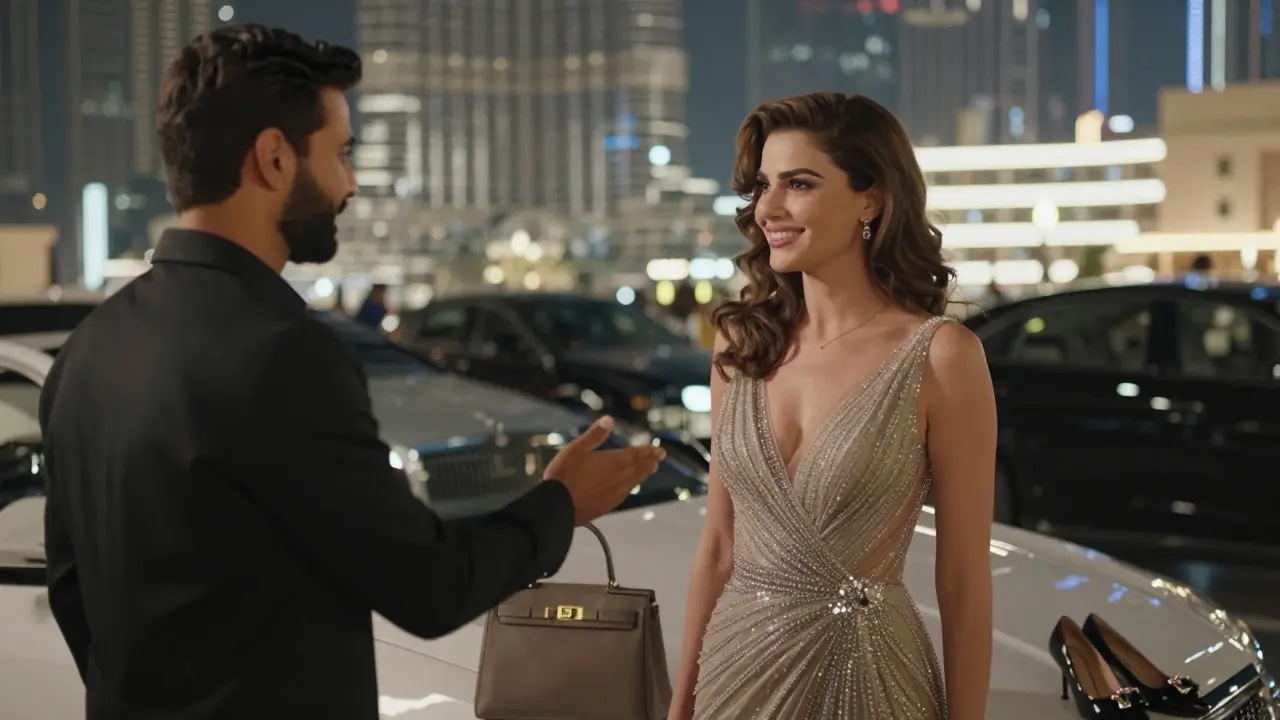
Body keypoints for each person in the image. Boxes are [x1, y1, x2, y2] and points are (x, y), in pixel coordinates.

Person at [38, 25, 665, 720]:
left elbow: (73, 593)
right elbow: (427, 586)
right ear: (274, 158)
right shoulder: (282, 352)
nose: (351, 183)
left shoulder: (87, 350)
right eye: (339, 153)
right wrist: (560, 504)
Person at [667, 92, 997, 720]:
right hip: (734, 675)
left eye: (799, 183)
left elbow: (962, 579)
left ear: (870, 197)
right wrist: (680, 704)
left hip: (870, 681)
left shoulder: (941, 356)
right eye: (764, 185)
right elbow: (717, 547)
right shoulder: (740, 346)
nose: (770, 208)